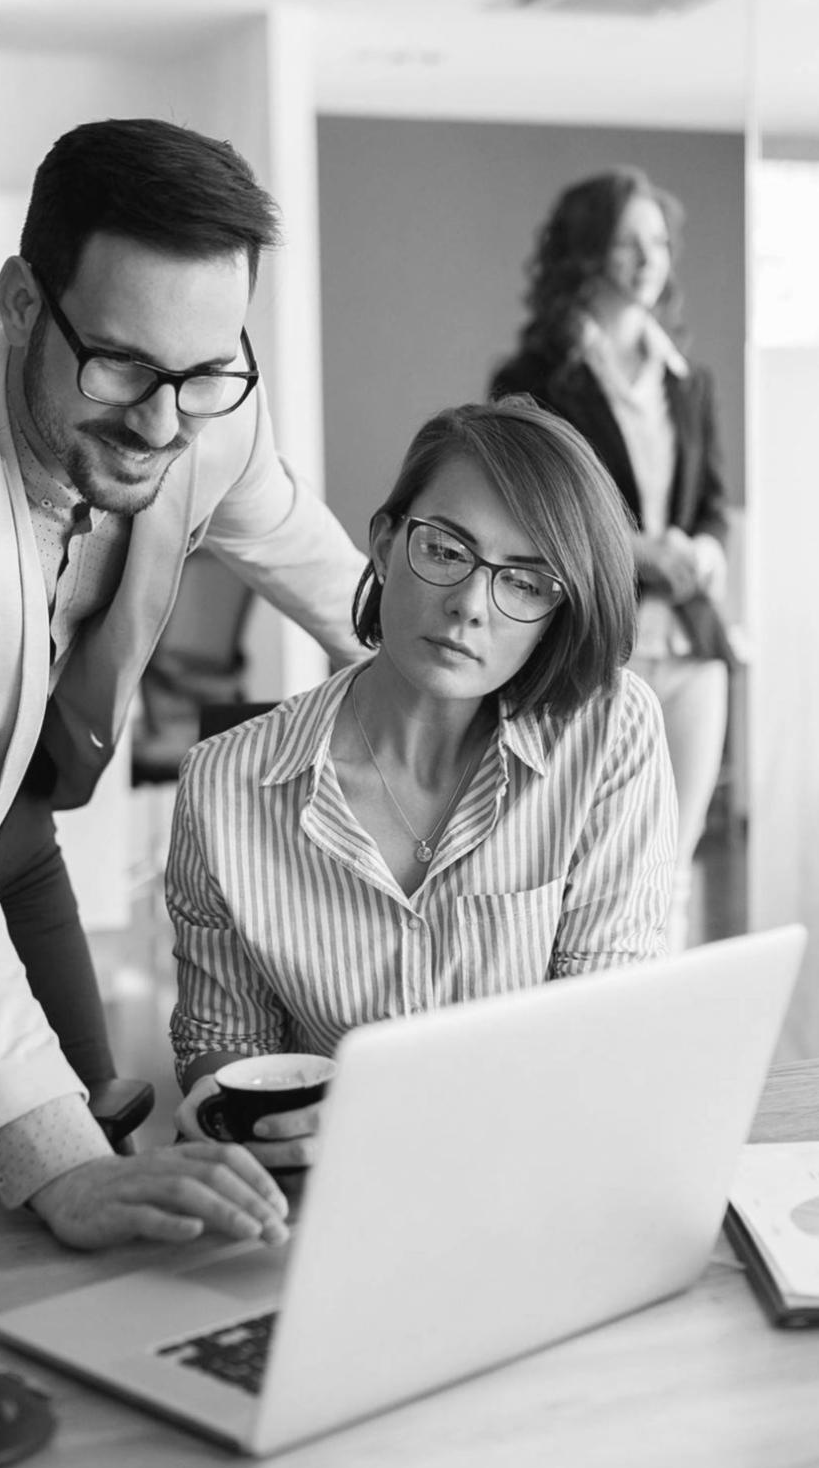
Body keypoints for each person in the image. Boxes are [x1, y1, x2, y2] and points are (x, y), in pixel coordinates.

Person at [0, 118, 358, 1244]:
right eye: (123, 366)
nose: (162, 421)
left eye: (204, 373)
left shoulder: (202, 400)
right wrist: (64, 1171)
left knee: (101, 1143)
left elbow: (320, 570)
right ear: (25, 302)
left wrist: (488, 663)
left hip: (19, 821)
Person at [166, 398, 677, 1168]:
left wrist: (392, 1120)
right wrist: (258, 1121)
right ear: (383, 543)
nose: (471, 605)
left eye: (527, 583)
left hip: (539, 1179)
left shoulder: (608, 735)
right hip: (328, 1201)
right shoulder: (225, 787)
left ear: (558, 611)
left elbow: (601, 1037)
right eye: (445, 551)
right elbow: (222, 1051)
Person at [490, 168, 733, 952]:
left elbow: (713, 507)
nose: (647, 258)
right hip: (593, 648)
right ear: (586, 253)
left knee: (677, 859)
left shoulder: (689, 383)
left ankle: (669, 1039)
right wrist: (641, 551)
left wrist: (701, 552)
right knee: (587, 863)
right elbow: (530, 512)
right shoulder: (533, 381)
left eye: (658, 241)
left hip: (692, 651)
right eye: (627, 241)